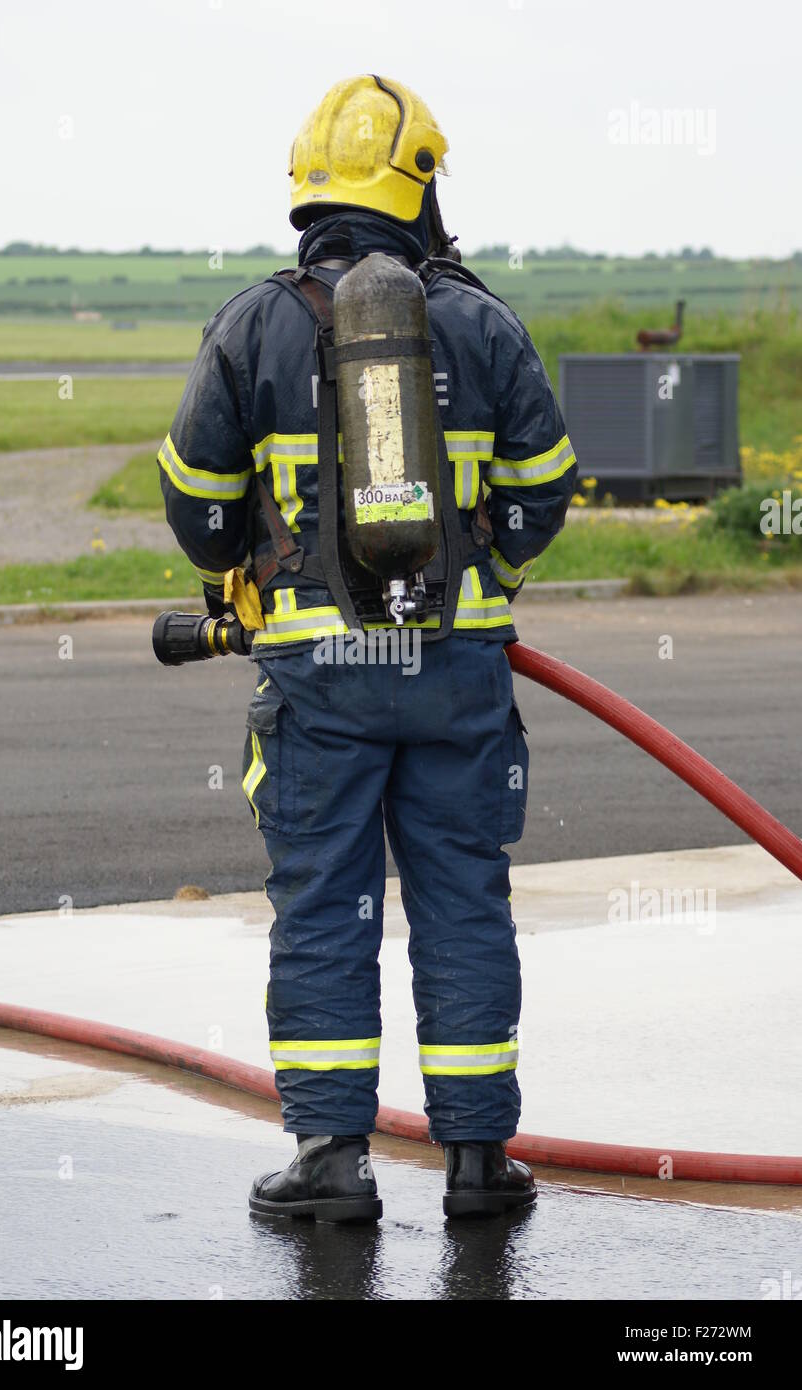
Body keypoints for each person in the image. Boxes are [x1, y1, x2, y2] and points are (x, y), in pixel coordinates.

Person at [159, 75, 577, 1221]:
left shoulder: (254, 321)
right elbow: (546, 497)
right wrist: (489, 553)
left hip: (319, 683)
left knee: (325, 901)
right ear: (422, 187)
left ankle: (333, 1164)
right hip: (459, 677)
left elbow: (195, 505)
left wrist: (247, 549)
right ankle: (481, 1166)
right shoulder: (486, 322)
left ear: (310, 192)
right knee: (463, 899)